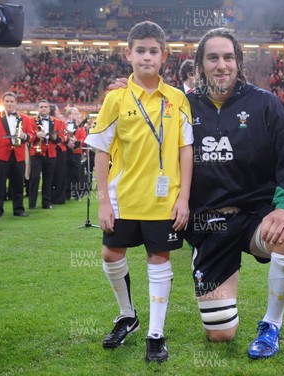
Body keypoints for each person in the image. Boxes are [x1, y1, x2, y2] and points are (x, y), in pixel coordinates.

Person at [185, 28, 284, 360]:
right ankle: (205, 262)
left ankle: (271, 324)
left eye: (228, 57)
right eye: (213, 57)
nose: (221, 65)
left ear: (238, 62)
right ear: (200, 64)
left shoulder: (265, 104)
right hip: (209, 223)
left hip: (257, 215)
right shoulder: (183, 107)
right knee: (220, 334)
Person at [85, 21, 193, 364]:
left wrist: (184, 198)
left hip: (165, 199)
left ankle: (155, 334)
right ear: (128, 54)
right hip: (123, 197)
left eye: (154, 51)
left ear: (164, 56)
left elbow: (185, 150)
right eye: (140, 50)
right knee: (110, 254)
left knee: (158, 260)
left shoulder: (177, 99)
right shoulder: (116, 98)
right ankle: (128, 315)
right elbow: (101, 152)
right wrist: (103, 200)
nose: (147, 57)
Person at [0, 91, 35, 218]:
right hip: (1, 155)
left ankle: (19, 210)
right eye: (7, 101)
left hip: (18, 155)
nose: (9, 104)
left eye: (12, 101)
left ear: (16, 103)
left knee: (18, 184)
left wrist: (25, 136)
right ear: (3, 102)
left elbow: (32, 136)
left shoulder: (25, 118)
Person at [29, 100, 65, 209]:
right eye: (41, 107)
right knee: (34, 178)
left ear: (49, 109)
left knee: (48, 179)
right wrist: (36, 134)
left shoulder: (57, 122)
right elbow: (28, 135)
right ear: (38, 109)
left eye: (45, 107)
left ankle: (47, 203)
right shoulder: (31, 121)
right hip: (36, 152)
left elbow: (62, 138)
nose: (44, 109)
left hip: (51, 153)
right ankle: (32, 204)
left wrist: (55, 138)